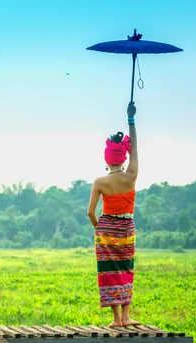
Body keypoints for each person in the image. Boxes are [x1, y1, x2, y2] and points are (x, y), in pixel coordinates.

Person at [87, 101, 140, 328]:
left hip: (106, 229)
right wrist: (131, 120)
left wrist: (99, 228)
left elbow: (90, 212)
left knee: (109, 271)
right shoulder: (131, 175)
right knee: (126, 268)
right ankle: (126, 317)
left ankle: (116, 319)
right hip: (126, 227)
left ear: (106, 160)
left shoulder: (100, 181)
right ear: (123, 158)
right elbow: (136, 147)